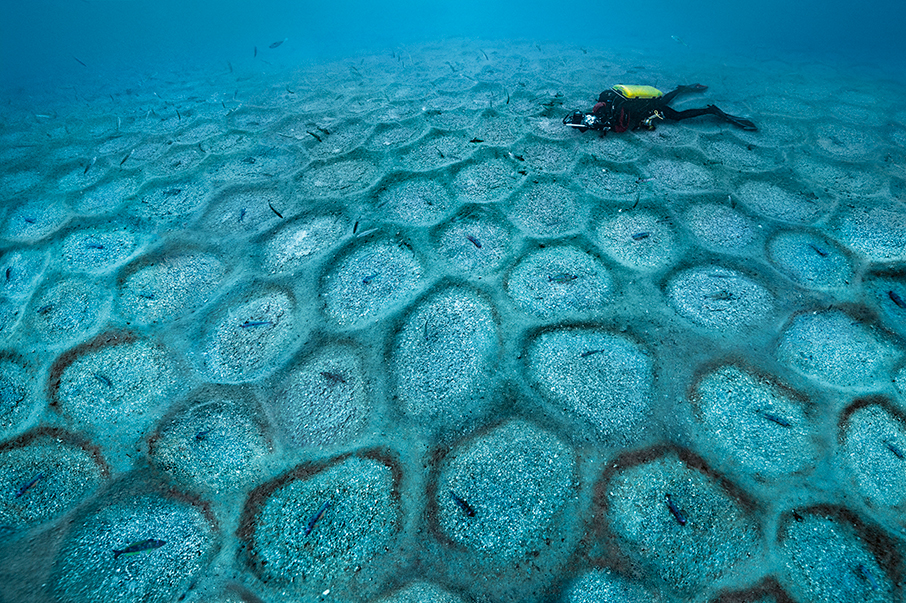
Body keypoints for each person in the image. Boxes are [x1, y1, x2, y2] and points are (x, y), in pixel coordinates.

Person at [563, 84, 756, 133]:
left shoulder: (615, 109)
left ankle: (710, 110)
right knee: (664, 101)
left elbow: (622, 128)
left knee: (675, 115)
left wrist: (605, 126)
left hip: (650, 109)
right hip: (648, 103)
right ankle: (681, 89)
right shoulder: (607, 100)